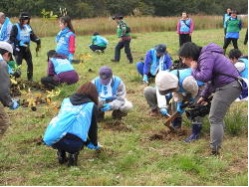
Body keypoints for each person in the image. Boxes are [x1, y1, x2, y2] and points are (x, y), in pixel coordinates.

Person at [178, 42, 241, 155]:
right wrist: (203, 96)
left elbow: (204, 76)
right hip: (230, 85)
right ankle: (217, 143)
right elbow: (210, 80)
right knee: (217, 117)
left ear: (190, 57)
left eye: (183, 59)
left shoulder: (205, 56)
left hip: (228, 86)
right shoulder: (206, 55)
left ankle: (215, 151)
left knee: (214, 118)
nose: (183, 62)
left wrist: (193, 70)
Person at [43, 82, 101, 167]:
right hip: (74, 143)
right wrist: (94, 144)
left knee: (64, 131)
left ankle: (61, 152)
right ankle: (73, 154)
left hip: (54, 138)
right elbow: (92, 130)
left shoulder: (66, 101)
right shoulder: (91, 106)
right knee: (79, 135)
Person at [155, 69, 205, 142]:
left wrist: (190, 100)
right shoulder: (169, 79)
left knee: (195, 107)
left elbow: (195, 91)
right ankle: (176, 125)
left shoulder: (187, 81)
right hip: (187, 87)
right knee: (174, 103)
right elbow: (176, 92)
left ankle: (196, 132)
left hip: (200, 87)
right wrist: (179, 103)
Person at [9, 12, 41, 81]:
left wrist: (37, 40)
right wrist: (19, 42)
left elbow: (32, 36)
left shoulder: (28, 27)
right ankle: (13, 79)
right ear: (21, 19)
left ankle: (30, 79)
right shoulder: (15, 27)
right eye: (25, 19)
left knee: (30, 64)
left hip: (26, 49)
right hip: (18, 49)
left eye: (28, 19)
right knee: (18, 66)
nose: (27, 21)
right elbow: (11, 38)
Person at [0, 41, 19, 140]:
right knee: (4, 123)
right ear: (7, 54)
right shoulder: (2, 64)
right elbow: (3, 90)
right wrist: (10, 103)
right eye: (9, 59)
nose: (8, 61)